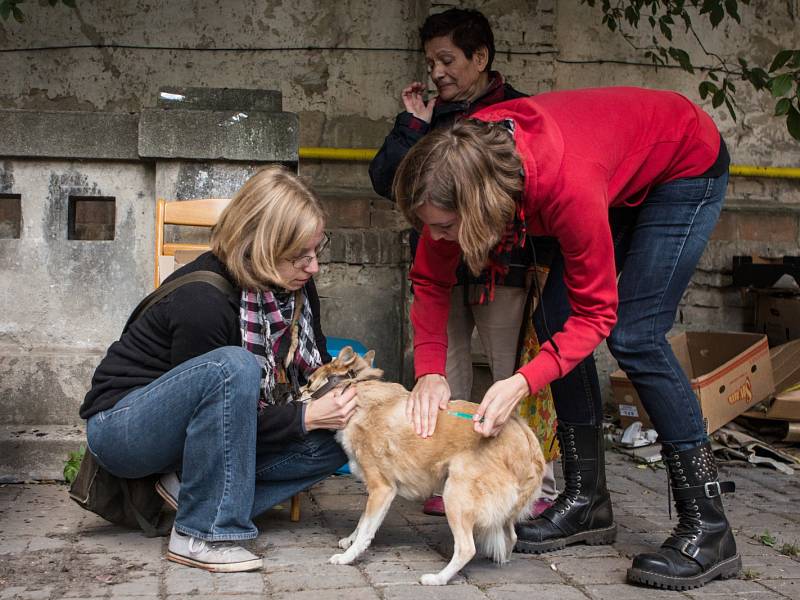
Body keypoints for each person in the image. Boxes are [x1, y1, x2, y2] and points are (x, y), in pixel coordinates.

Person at [393, 87, 738, 590]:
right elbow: (429, 280)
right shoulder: (454, 167)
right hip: (614, 170)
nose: (438, 238)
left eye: (445, 227)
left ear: (483, 205)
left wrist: (521, 382)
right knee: (554, 320)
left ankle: (709, 527)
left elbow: (598, 313)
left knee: (636, 335)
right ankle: (587, 501)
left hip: (684, 162)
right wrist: (429, 370)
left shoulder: (565, 185)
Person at [79, 166, 355, 573]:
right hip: (125, 428)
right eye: (300, 255)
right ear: (260, 245)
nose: (313, 266)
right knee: (234, 367)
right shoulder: (203, 302)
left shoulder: (293, 285)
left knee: (345, 437)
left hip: (208, 432)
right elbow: (222, 419)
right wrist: (304, 417)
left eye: (317, 250)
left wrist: (343, 397)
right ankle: (201, 531)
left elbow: (299, 381)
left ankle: (184, 494)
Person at [369, 6, 559, 518]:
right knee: (442, 371)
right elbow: (386, 180)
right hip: (438, 266)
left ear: (481, 57)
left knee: (510, 372)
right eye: (431, 62)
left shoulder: (521, 113)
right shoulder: (428, 118)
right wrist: (412, 125)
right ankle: (446, 474)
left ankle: (531, 483)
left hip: (506, 266)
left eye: (447, 59)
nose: (437, 72)